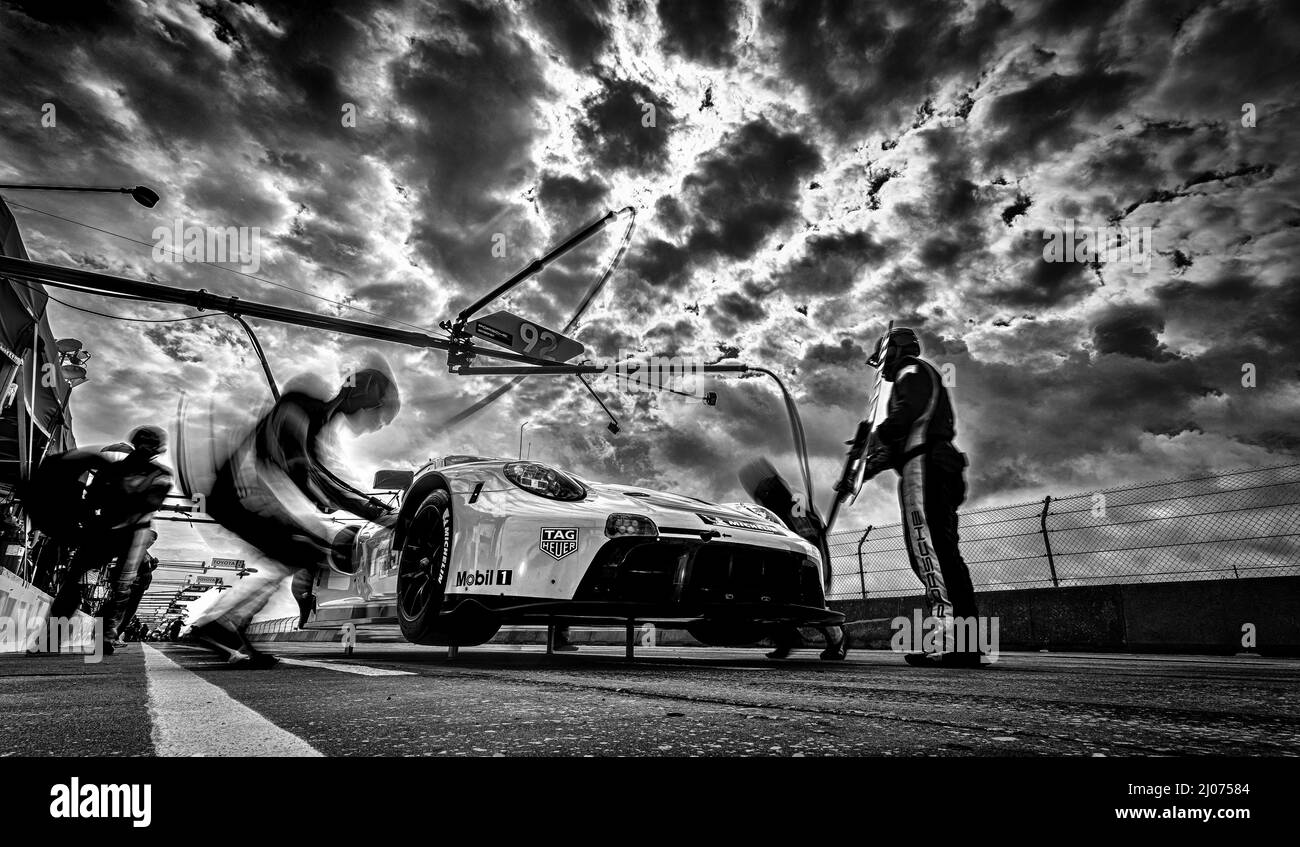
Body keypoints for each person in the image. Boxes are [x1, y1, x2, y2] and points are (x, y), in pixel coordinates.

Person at [189, 365, 400, 667]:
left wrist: (337, 500)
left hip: (240, 494)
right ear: (364, 397)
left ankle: (225, 627)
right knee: (303, 551)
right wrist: (375, 513)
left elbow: (316, 476)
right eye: (376, 412)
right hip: (238, 493)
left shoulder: (312, 420)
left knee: (300, 552)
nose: (373, 423)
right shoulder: (299, 409)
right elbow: (308, 472)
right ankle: (223, 627)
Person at [835, 327, 978, 668]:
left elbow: (903, 419)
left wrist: (873, 437)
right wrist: (860, 473)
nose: (881, 368)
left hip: (924, 469)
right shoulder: (920, 378)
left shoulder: (911, 371)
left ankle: (950, 642)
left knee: (930, 555)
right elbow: (895, 444)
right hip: (936, 465)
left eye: (882, 359)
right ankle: (966, 645)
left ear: (894, 351)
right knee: (943, 556)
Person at [44, 427, 172, 654]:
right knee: (75, 579)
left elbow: (149, 504)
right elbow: (91, 500)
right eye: (143, 442)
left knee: (121, 586)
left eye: (150, 444)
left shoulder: (159, 474)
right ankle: (53, 636)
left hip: (134, 532)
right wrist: (84, 522)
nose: (146, 447)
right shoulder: (113, 469)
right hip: (104, 527)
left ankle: (105, 637)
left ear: (156, 449)